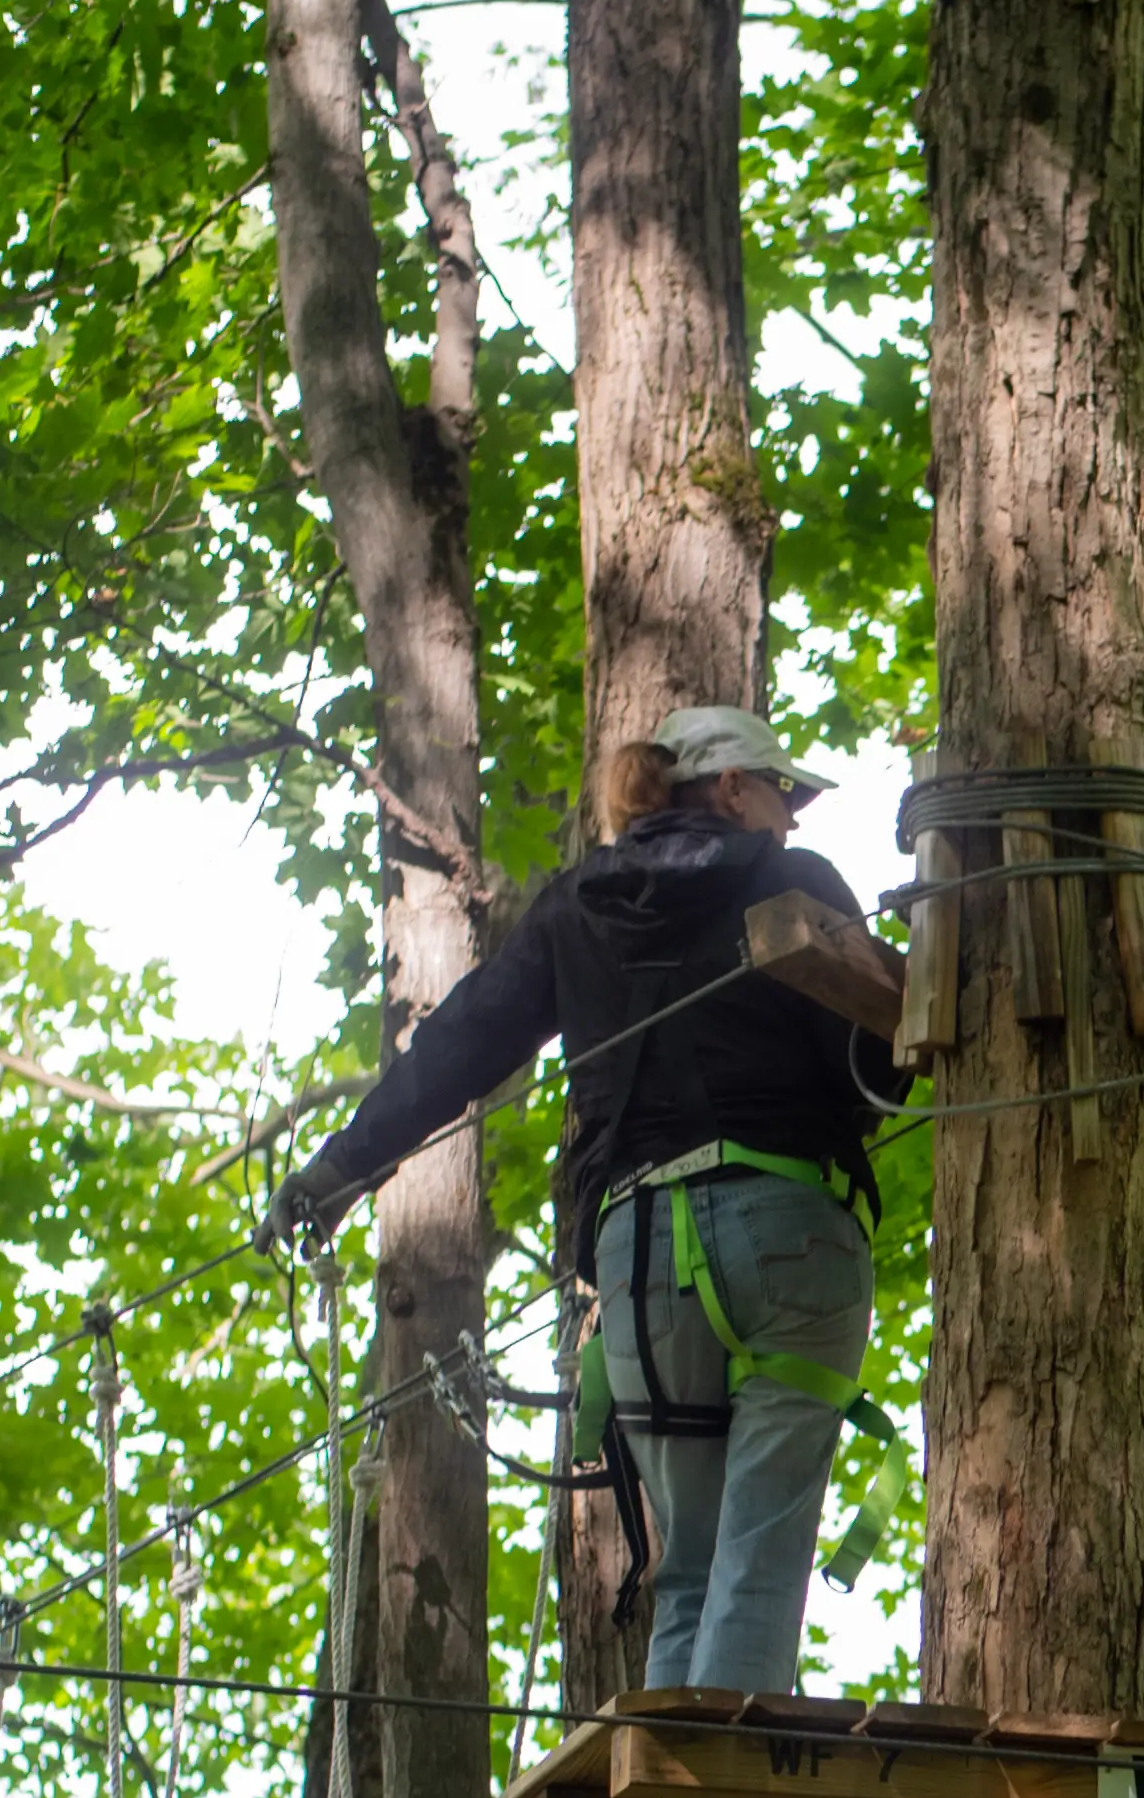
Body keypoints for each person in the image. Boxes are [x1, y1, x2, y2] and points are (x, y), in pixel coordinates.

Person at [275, 704, 895, 1702]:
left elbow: (460, 1046)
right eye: (784, 791)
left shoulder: (573, 907)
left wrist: (341, 1169)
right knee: (758, 1557)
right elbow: (875, 1073)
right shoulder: (792, 881)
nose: (793, 816)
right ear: (730, 787)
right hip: (787, 1236)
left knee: (688, 1567)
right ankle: (724, 1795)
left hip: (640, 1264)